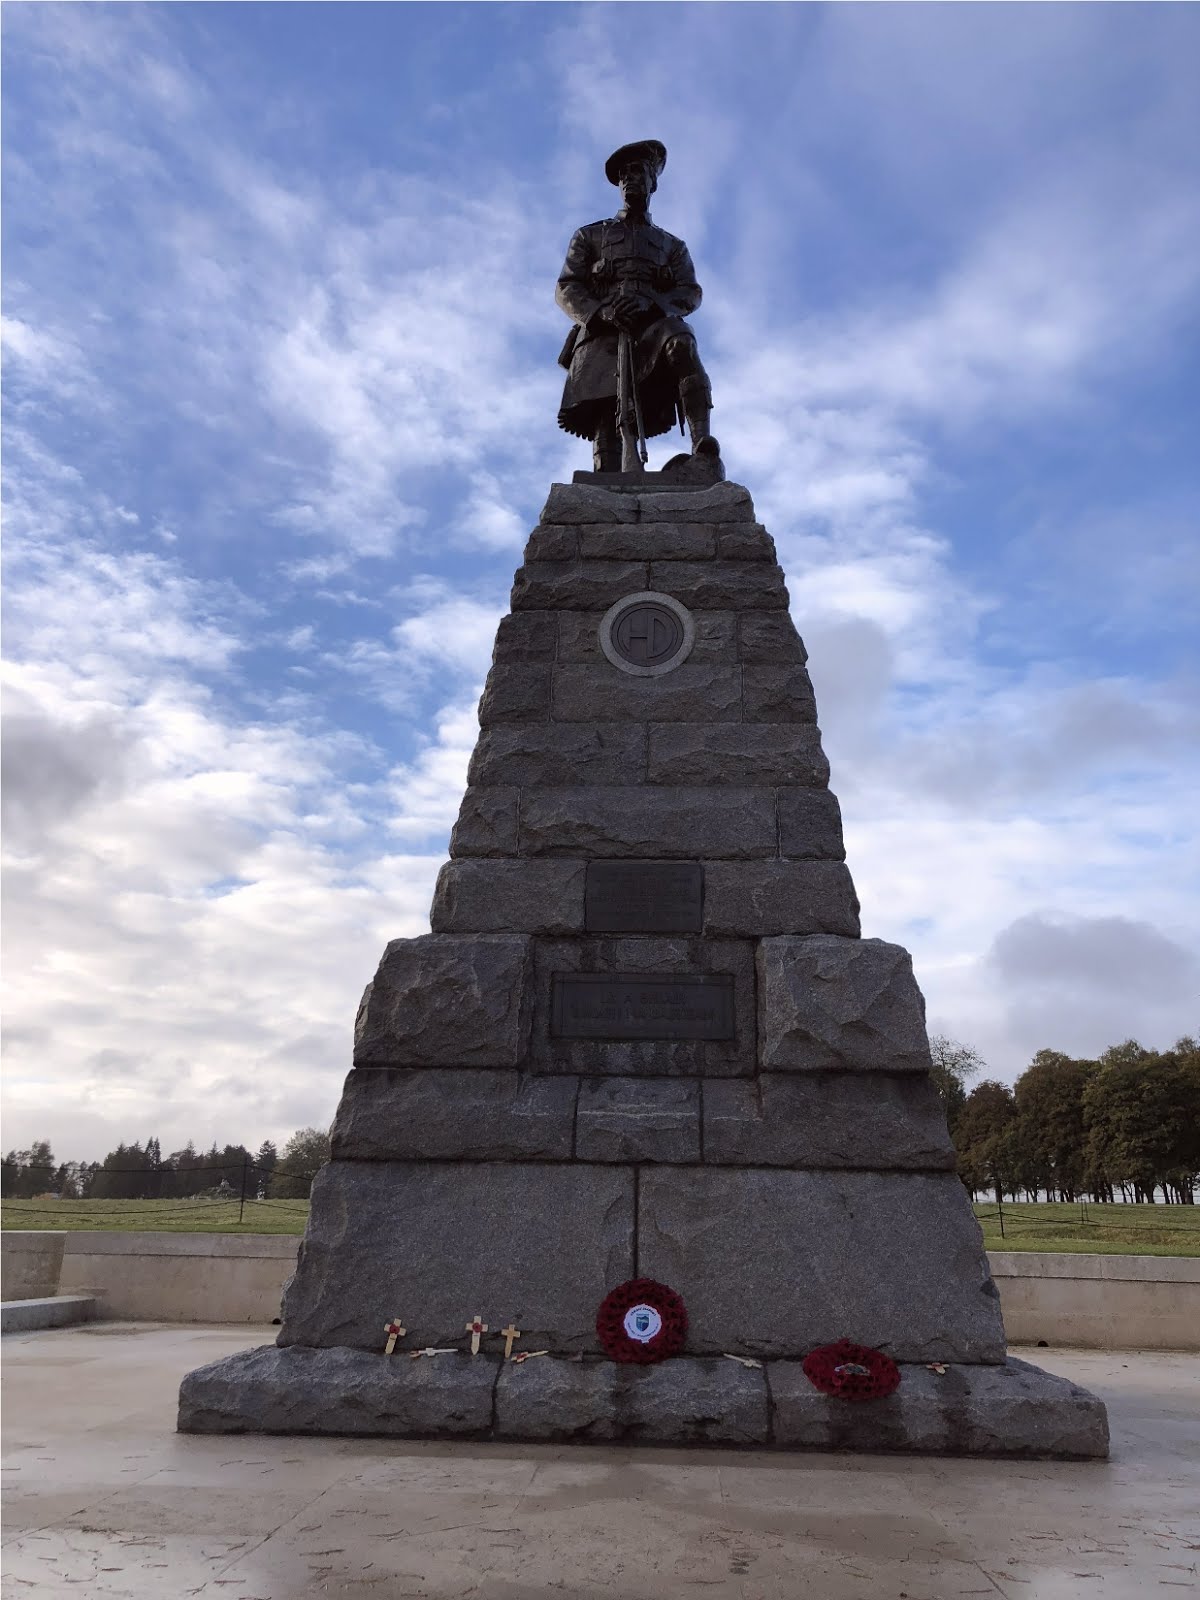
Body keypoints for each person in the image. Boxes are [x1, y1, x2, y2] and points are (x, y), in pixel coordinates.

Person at [556, 139, 718, 472]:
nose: (630, 179)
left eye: (639, 172)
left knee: (682, 340)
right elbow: (567, 286)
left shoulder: (671, 245)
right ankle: (609, 470)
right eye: (624, 174)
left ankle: (703, 447)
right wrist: (601, 312)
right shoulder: (590, 236)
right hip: (604, 329)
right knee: (608, 407)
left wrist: (655, 305)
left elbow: (690, 291)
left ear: (652, 182)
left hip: (652, 329)